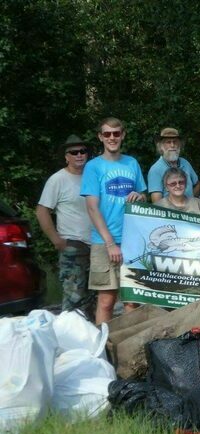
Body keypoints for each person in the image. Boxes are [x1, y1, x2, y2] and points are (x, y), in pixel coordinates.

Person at [81, 117, 146, 324]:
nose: (112, 138)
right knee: (106, 301)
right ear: (100, 137)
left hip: (132, 242)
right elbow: (92, 207)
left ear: (123, 135)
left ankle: (129, 349)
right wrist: (110, 243)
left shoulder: (132, 163)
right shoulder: (93, 167)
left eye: (116, 133)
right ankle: (104, 349)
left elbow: (143, 197)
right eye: (107, 134)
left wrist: (140, 196)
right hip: (104, 242)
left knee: (131, 301)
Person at [36, 135, 93, 312]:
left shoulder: (94, 176)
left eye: (82, 151)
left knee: (94, 298)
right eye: (73, 152)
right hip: (73, 244)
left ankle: (93, 337)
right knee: (74, 297)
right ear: (66, 156)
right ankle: (69, 337)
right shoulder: (58, 179)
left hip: (97, 244)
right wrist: (56, 240)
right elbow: (42, 210)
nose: (79, 155)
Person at [148, 127, 200, 203]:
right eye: (168, 142)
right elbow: (157, 202)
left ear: (180, 144)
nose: (172, 145)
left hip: (190, 212)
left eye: (175, 142)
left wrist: (190, 202)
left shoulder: (185, 163)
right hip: (170, 213)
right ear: (161, 146)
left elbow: (198, 184)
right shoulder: (155, 169)